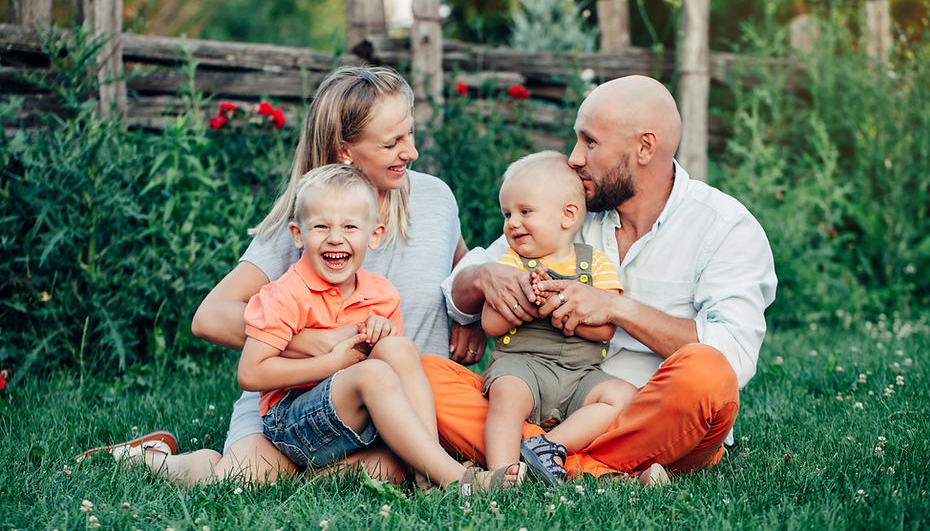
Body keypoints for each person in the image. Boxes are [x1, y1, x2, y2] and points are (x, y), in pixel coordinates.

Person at [77, 66, 488, 485]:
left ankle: (401, 468)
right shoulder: (310, 222)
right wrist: (313, 343)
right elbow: (211, 316)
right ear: (346, 151)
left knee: (386, 468)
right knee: (241, 481)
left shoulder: (436, 198)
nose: (411, 151)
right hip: (301, 400)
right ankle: (158, 461)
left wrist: (471, 316)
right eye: (392, 142)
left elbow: (460, 273)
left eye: (410, 134)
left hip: (393, 407)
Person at [423, 74, 777, 480]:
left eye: (589, 142)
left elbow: (731, 358)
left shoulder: (725, 228)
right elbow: (459, 288)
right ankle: (571, 461)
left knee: (707, 376)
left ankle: (546, 461)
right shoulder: (572, 207)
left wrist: (616, 307)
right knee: (423, 376)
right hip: (535, 396)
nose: (573, 158)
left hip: (641, 417)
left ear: (644, 147)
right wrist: (485, 278)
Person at [236, 164, 524, 492]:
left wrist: (381, 332)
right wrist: (333, 362)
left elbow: (396, 370)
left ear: (374, 235)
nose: (335, 238)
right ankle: (456, 478)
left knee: (398, 349)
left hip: (351, 418)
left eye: (350, 226)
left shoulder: (380, 293)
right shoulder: (286, 293)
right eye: (320, 226)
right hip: (291, 420)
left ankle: (426, 474)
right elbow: (251, 373)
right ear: (298, 234)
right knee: (374, 374)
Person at [479, 151, 638, 485]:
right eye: (507, 214)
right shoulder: (510, 266)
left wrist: (567, 310)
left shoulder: (595, 264)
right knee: (506, 392)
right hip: (523, 367)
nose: (512, 223)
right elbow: (490, 326)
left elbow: (607, 329)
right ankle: (503, 472)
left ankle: (547, 448)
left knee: (622, 395)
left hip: (580, 376)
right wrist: (525, 302)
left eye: (525, 212)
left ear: (567, 215)